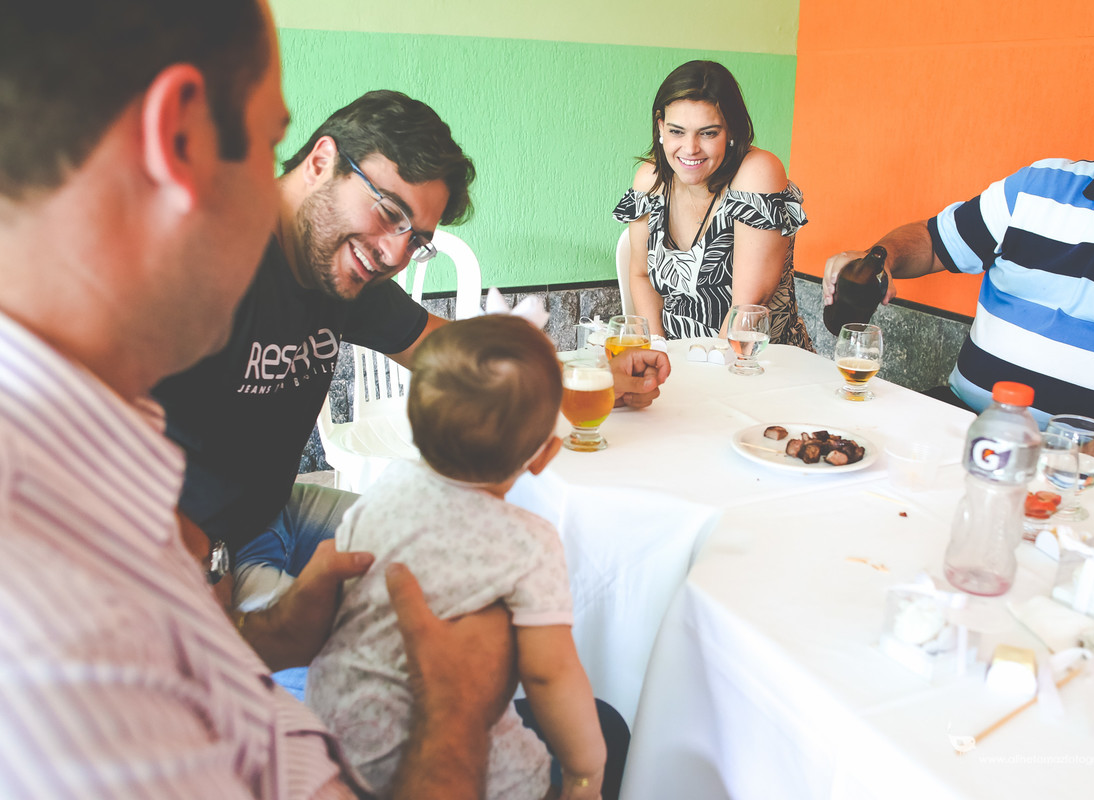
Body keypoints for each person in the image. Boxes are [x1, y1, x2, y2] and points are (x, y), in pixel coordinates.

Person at [0, 2, 515, 797]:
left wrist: (267, 635)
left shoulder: (104, 448)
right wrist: (455, 706)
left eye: (414, 237)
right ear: (179, 143)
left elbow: (221, 684)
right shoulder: (59, 610)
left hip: (256, 533)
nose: (393, 253)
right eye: (272, 141)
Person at [152, 91, 673, 619]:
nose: (395, 253)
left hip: (271, 515)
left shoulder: (334, 261)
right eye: (388, 212)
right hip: (176, 549)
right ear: (321, 162)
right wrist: (203, 567)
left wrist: (593, 378)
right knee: (350, 684)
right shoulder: (200, 257)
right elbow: (90, 443)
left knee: (477, 571)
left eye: (416, 239)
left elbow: (455, 357)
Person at [823, 34, 1094, 475]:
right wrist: (881, 256)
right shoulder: (1040, 187)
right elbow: (932, 241)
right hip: (959, 427)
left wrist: (1064, 465)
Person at [309, 314, 618, 800]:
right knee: (606, 733)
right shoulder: (529, 543)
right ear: (544, 455)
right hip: (452, 770)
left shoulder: (381, 489)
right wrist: (585, 775)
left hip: (338, 744)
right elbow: (549, 672)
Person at [613, 60, 814, 350]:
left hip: (756, 364)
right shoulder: (650, 181)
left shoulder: (757, 173)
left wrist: (705, 375)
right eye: (676, 131)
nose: (690, 148)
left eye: (708, 133)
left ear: (731, 130)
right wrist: (658, 350)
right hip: (679, 361)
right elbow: (640, 275)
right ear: (660, 127)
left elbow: (749, 306)